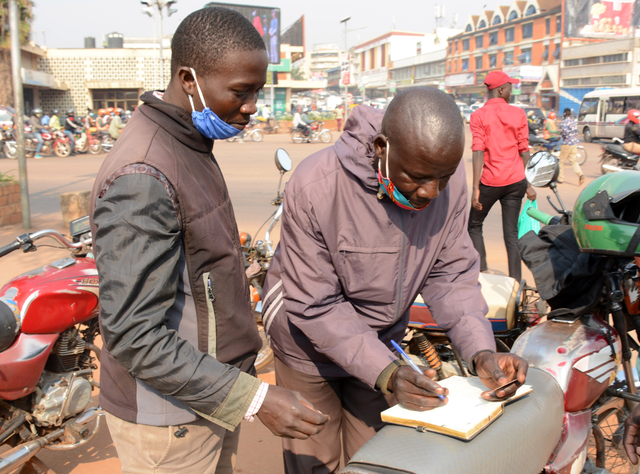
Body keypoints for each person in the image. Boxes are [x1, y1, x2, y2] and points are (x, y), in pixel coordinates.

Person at [89, 8, 328, 474]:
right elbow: (134, 333)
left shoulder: (187, 141)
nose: (253, 106)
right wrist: (254, 397)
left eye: (257, 90)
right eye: (241, 91)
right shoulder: (144, 173)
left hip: (204, 397)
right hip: (170, 421)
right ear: (189, 79)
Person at [261, 87, 529, 474]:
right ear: (382, 148)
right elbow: (315, 304)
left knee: (377, 460)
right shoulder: (316, 185)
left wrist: (480, 352)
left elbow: (451, 276)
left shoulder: (444, 182)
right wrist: (386, 373)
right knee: (316, 464)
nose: (430, 193)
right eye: (417, 178)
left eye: (443, 178)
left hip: (381, 344)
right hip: (307, 349)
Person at [468, 71, 536, 282]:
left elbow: (478, 150)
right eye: (510, 87)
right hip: (515, 181)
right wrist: (528, 184)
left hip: (490, 181)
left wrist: (475, 189)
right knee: (511, 233)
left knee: (474, 224)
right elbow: (524, 150)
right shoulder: (518, 114)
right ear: (500, 89)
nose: (512, 90)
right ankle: (515, 281)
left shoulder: (478, 115)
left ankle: (483, 271)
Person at [558, 108, 584, 185]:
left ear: (564, 114)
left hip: (566, 143)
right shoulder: (573, 122)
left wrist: (561, 135)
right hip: (574, 143)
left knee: (561, 162)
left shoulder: (564, 122)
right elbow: (576, 132)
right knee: (573, 161)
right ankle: (580, 174)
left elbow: (565, 132)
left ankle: (560, 178)